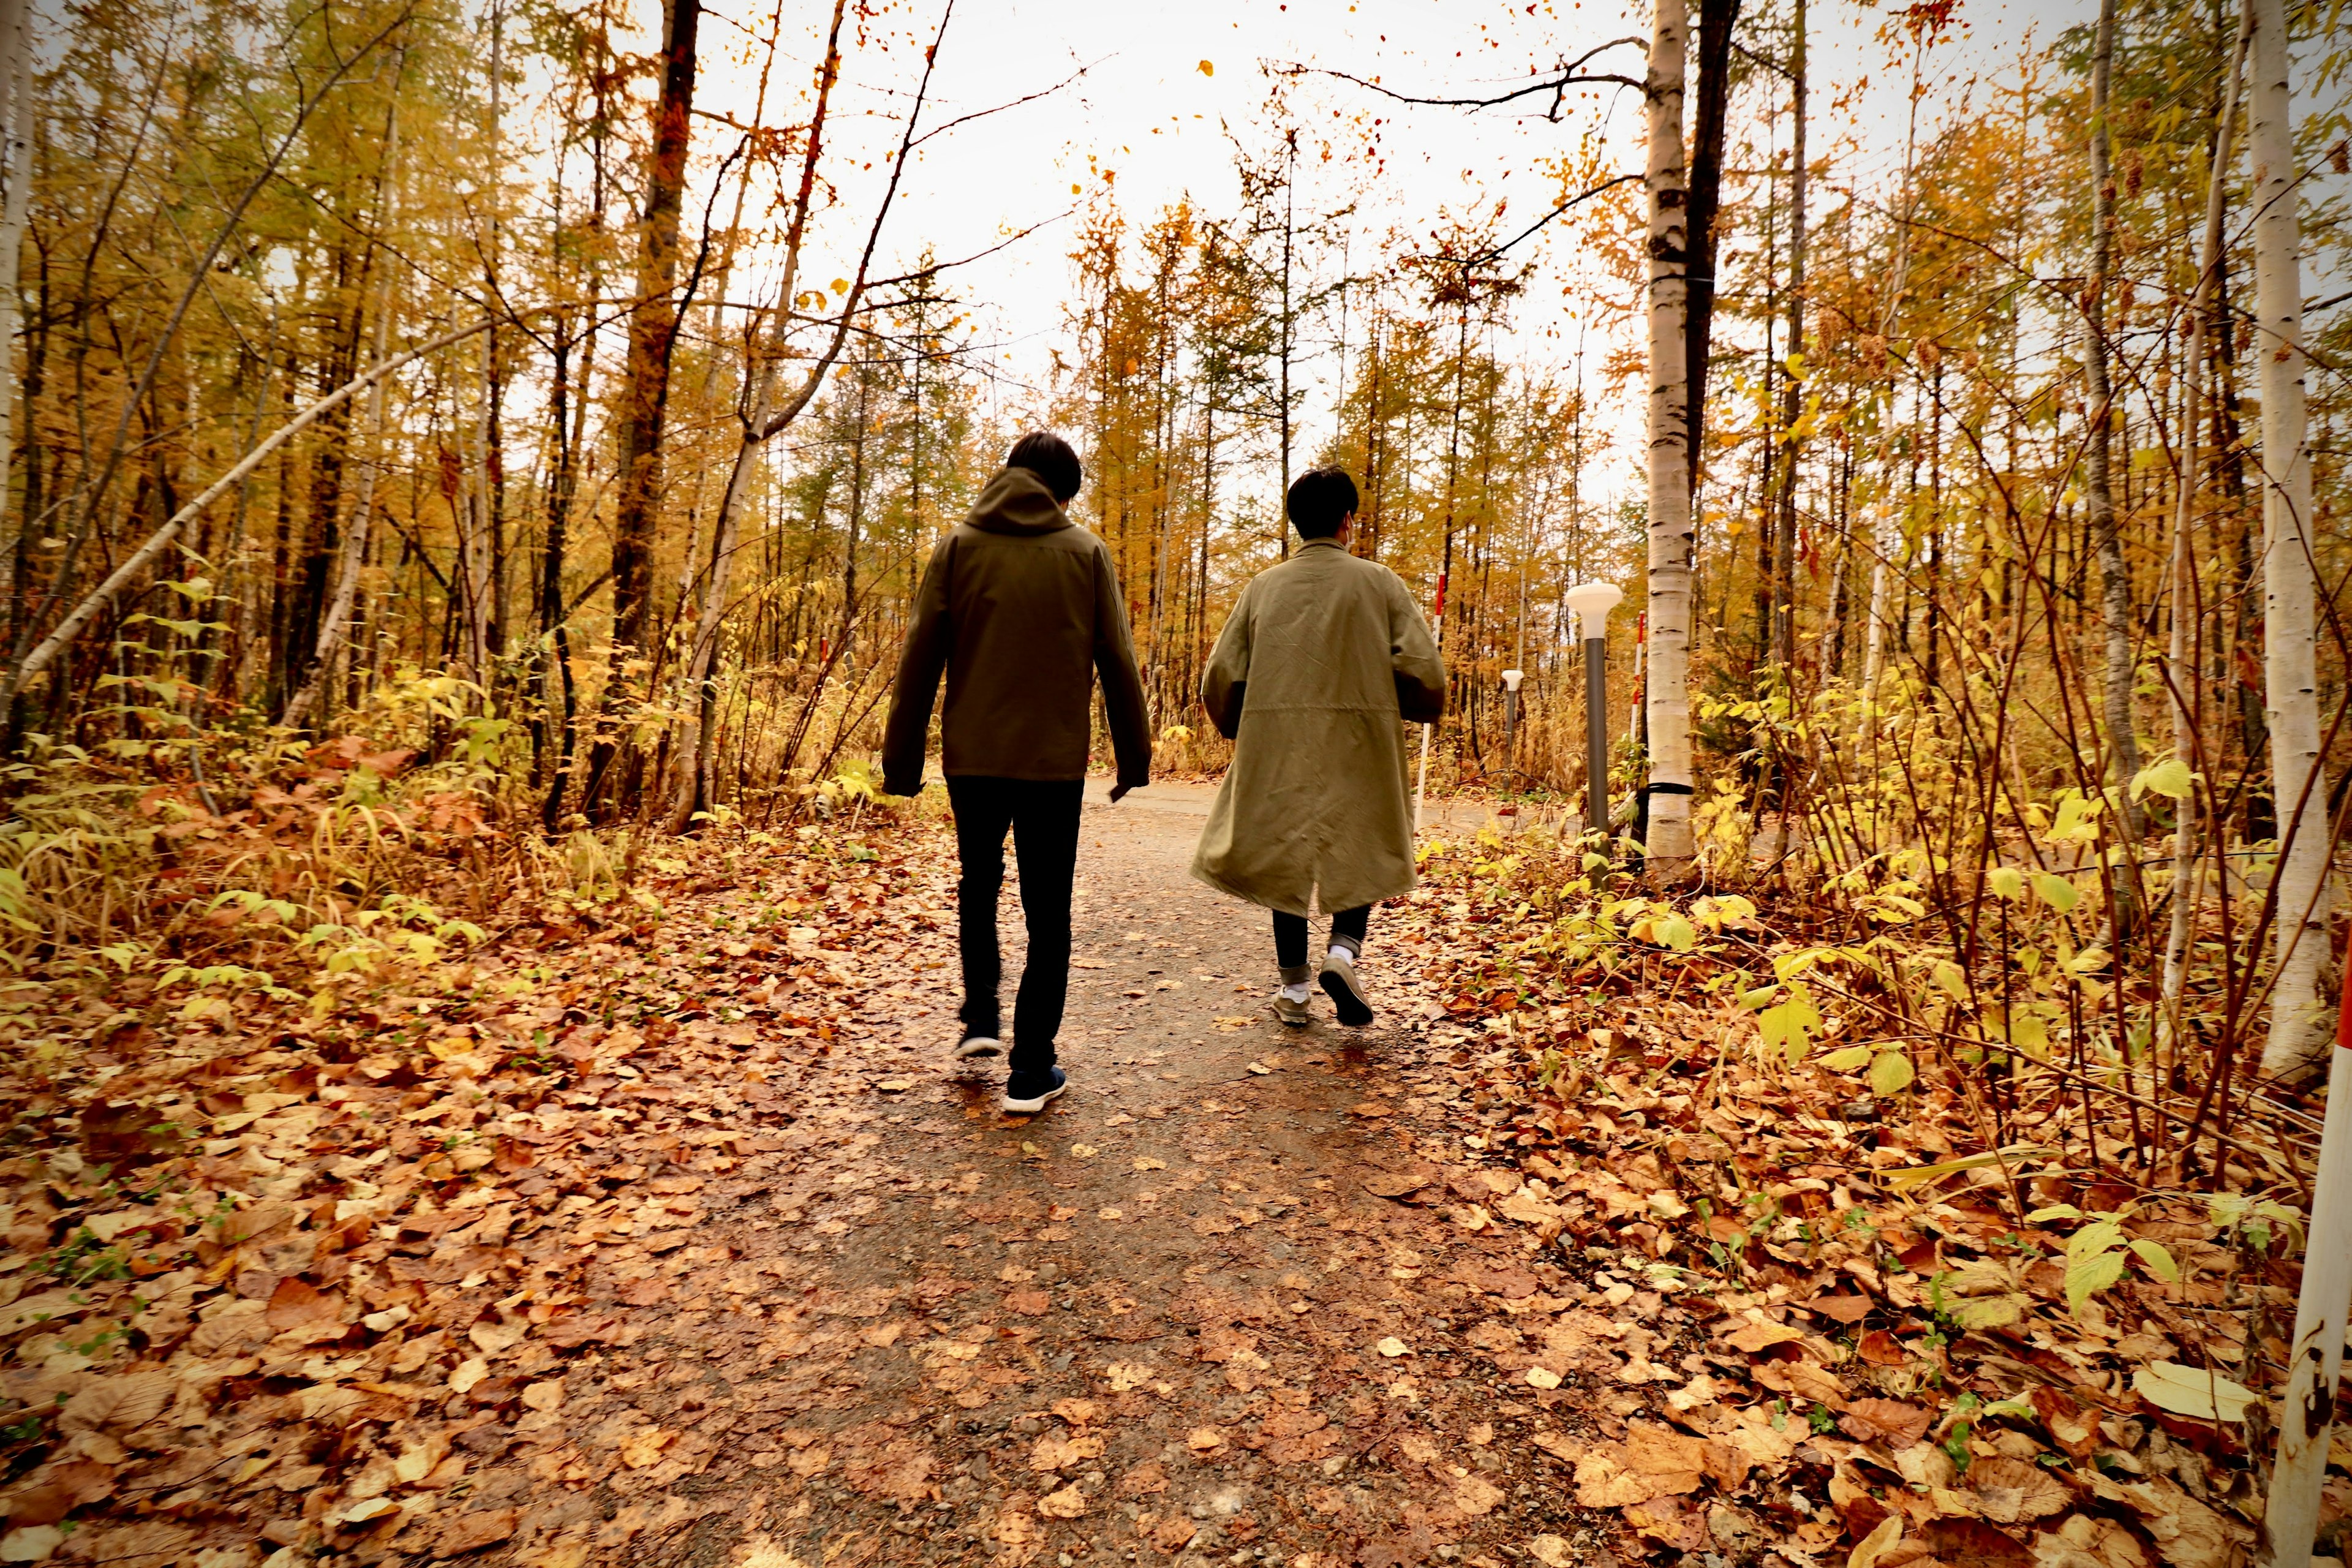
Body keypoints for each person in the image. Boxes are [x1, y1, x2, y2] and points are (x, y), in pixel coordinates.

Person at [882, 432, 1151, 1113]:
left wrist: (902, 761)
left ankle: (979, 1018)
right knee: (1048, 913)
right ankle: (1031, 1069)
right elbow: (1117, 660)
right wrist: (1134, 758)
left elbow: (921, 658)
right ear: (1063, 492)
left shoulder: (958, 547)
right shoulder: (1086, 553)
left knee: (979, 882)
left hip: (972, 760)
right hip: (1052, 765)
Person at [1191, 466, 1446, 1028]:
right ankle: (1343, 952)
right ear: (1348, 521)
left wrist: (1238, 726)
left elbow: (1220, 676)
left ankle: (1296, 993)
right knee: (1359, 846)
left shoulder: (1262, 587)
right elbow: (1425, 670)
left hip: (1277, 743)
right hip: (1362, 742)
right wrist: (1405, 706)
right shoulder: (1381, 583)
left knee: (1287, 854)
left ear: (1296, 522)